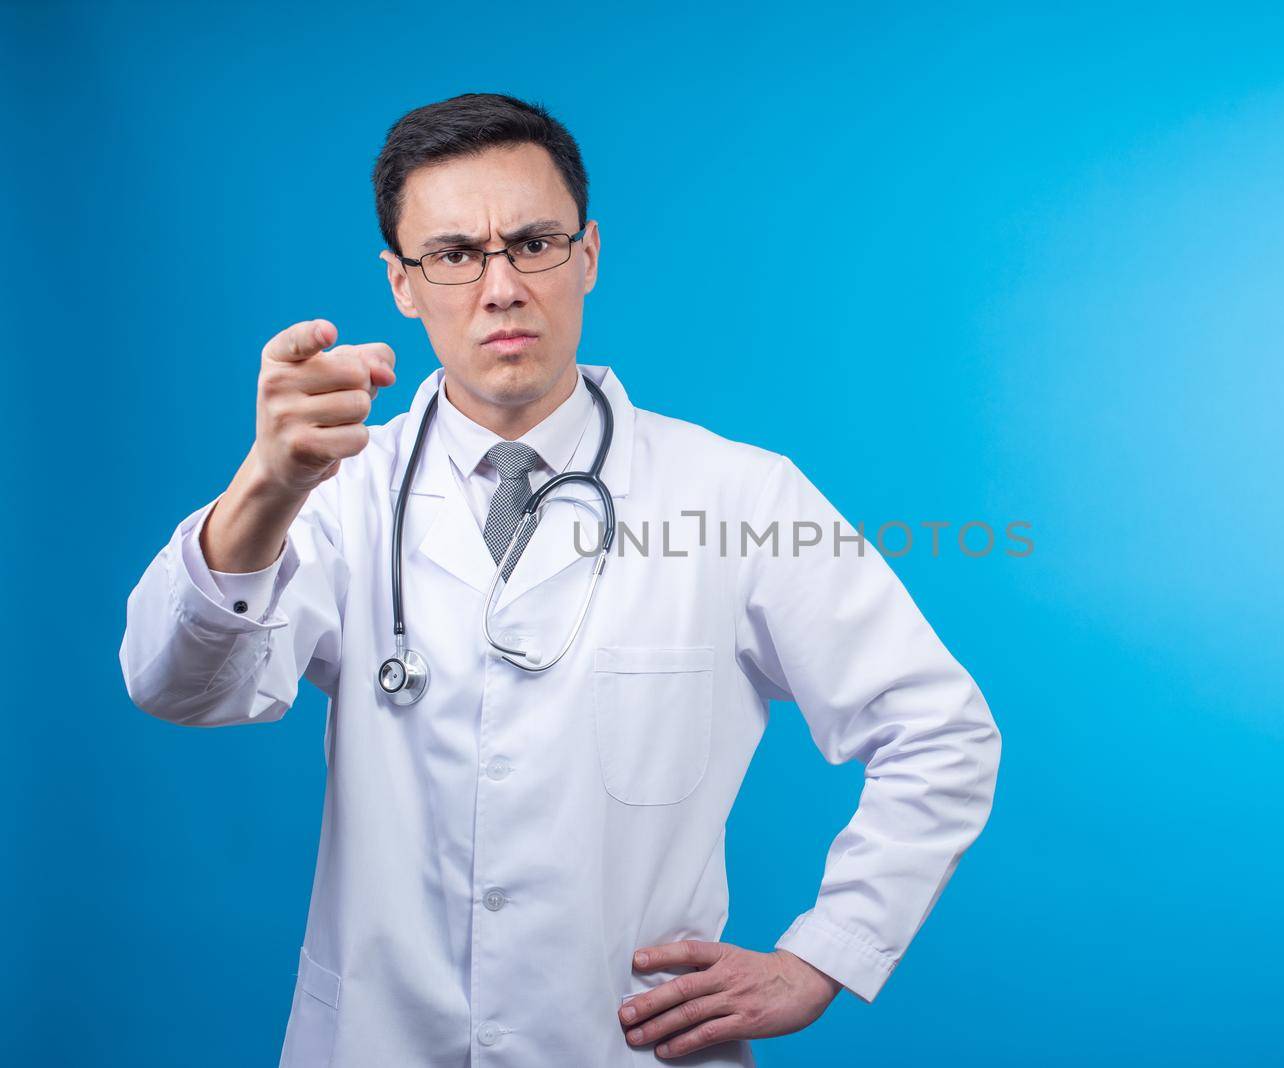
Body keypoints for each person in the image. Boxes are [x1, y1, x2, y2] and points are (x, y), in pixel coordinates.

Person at [119, 92, 1000, 1068]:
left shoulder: (739, 495)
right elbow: (179, 687)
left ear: (586, 255)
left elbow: (938, 731)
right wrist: (261, 490)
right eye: (454, 254)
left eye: (532, 243)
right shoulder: (333, 495)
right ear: (402, 284)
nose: (499, 287)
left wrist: (823, 956)